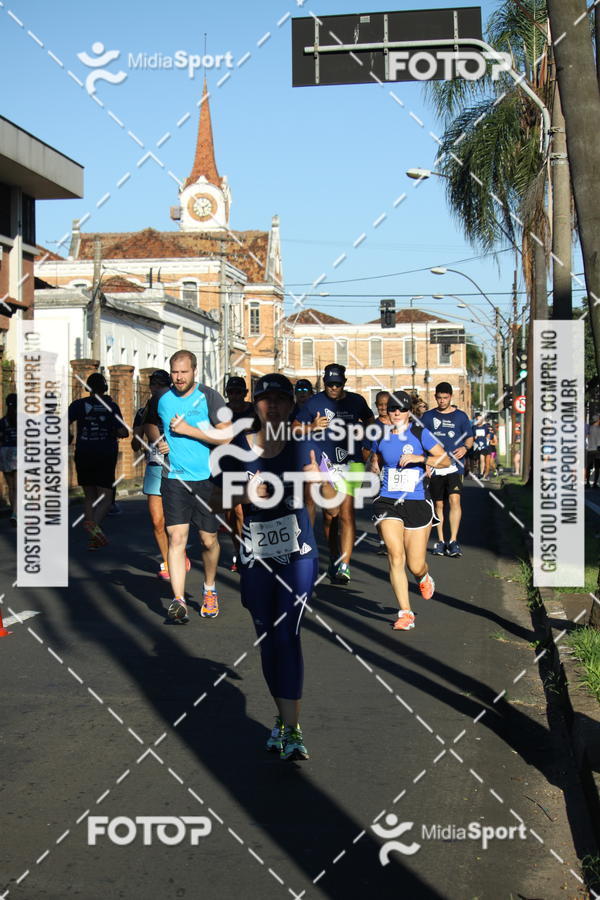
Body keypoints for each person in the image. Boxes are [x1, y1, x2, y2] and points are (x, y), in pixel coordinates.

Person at [220, 373, 335, 760]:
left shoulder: (303, 444)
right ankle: (284, 720)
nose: (274, 406)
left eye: (281, 400)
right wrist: (247, 491)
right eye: (266, 399)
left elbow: (328, 493)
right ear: (256, 405)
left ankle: (292, 727)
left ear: (291, 405)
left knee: (287, 634)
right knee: (268, 638)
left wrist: (319, 482)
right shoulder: (240, 445)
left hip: (298, 552)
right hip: (256, 554)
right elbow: (223, 495)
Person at [145, 350, 231, 622]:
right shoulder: (161, 398)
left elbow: (227, 436)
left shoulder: (209, 396)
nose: (179, 377)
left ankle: (209, 589)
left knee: (208, 540)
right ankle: (179, 600)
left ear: (194, 371)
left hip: (206, 479)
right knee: (177, 539)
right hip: (175, 479)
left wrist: (188, 431)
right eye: (175, 372)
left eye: (184, 372)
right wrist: (158, 440)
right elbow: (148, 423)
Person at [368, 391, 450, 630]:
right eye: (392, 408)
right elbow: (377, 461)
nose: (396, 413)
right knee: (395, 554)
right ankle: (405, 613)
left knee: (415, 564)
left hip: (416, 501)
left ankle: (423, 576)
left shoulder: (419, 433)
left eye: (401, 409)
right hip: (388, 501)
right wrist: (373, 470)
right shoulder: (380, 435)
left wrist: (421, 458)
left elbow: (445, 460)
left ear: (409, 411)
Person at [293, 363, 374, 584]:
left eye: (337, 384)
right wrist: (313, 427)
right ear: (324, 383)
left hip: (352, 462)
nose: (334, 388)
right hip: (326, 464)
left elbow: (369, 419)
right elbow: (294, 427)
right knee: (330, 515)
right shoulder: (314, 402)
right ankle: (334, 557)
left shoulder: (356, 401)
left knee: (347, 513)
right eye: (329, 384)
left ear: (344, 383)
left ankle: (345, 565)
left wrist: (364, 432)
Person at [131, 369, 190, 580]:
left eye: (160, 384)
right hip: (156, 464)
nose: (156, 389)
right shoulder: (145, 409)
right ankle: (168, 561)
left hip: (178, 466)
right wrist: (142, 438)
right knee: (157, 520)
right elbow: (135, 442)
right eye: (153, 385)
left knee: (176, 518)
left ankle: (179, 552)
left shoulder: (180, 405)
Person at [68, 373, 128, 549]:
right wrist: (111, 429)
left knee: (89, 496)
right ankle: (93, 525)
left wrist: (70, 435)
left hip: (83, 452)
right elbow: (123, 432)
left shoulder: (78, 405)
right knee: (106, 497)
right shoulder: (111, 406)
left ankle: (93, 538)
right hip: (104, 453)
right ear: (105, 388)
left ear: (88, 389)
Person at [421, 382, 474, 558]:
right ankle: (441, 541)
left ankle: (453, 540)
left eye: (445, 398)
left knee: (454, 501)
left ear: (451, 397)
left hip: (455, 466)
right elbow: (420, 440)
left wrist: (465, 448)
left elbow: (470, 437)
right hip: (436, 466)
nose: (442, 401)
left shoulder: (460, 417)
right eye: (439, 398)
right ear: (435, 397)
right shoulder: (428, 417)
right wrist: (426, 462)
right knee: (438, 504)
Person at [224, 375, 254, 572]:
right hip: (226, 465)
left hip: (249, 465)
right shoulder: (221, 412)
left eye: (238, 392)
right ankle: (238, 550)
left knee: (241, 511)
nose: (234, 396)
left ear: (245, 394)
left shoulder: (254, 411)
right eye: (231, 392)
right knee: (229, 515)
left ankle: (246, 552)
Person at [0, 394, 17, 525]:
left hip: (6, 451)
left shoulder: (3, 421)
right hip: (19, 451)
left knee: (11, 487)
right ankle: (16, 514)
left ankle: (14, 512)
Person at [471, 413, 494, 479]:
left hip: (485, 446)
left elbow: (491, 434)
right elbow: (471, 436)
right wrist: (474, 437)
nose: (478, 421)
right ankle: (479, 473)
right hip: (476, 446)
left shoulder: (486, 427)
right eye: (477, 419)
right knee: (478, 461)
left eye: (479, 419)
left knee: (483, 459)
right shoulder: (474, 427)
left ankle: (482, 474)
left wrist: (489, 436)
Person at [586, 414, 600, 488]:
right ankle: (595, 483)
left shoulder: (589, 428)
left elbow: (586, 438)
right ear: (598, 420)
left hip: (590, 450)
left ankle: (587, 482)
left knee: (588, 467)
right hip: (598, 451)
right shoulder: (599, 429)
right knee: (597, 467)